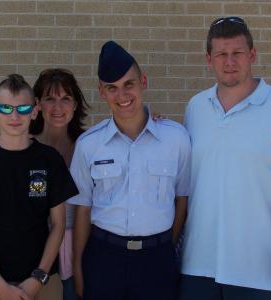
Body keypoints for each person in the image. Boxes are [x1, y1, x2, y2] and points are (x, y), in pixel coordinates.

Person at [67, 40, 191, 300]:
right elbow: (83, 210)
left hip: (156, 261)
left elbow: (182, 200)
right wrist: (78, 267)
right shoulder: (89, 144)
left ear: (143, 82)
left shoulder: (176, 139)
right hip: (103, 259)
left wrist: (164, 245)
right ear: (102, 91)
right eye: (112, 88)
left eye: (129, 84)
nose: (122, 96)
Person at [178, 17, 271, 300]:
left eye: (237, 53)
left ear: (252, 54)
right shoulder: (196, 107)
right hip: (198, 266)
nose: (230, 61)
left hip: (260, 271)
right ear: (209, 59)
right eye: (222, 54)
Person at [0, 74, 78, 300]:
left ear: (34, 111)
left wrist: (38, 277)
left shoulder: (50, 160)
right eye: (6, 108)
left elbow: (58, 225)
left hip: (44, 282)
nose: (14, 116)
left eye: (23, 108)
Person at [30, 68, 89, 300]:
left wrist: (151, 119)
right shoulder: (23, 147)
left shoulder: (90, 145)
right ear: (37, 104)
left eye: (66, 99)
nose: (58, 107)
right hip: (36, 249)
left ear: (75, 105)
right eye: (50, 99)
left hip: (81, 247)